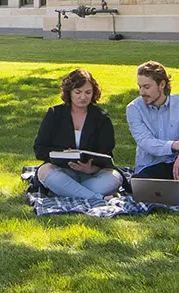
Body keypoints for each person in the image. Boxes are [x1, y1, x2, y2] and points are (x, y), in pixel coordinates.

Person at [126, 61, 179, 203]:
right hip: (152, 167)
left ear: (162, 84)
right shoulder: (134, 108)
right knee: (137, 183)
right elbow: (145, 142)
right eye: (140, 87)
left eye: (146, 87)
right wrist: (175, 145)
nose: (142, 92)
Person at [32, 68, 122, 200]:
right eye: (78, 92)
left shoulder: (102, 118)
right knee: (44, 172)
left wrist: (91, 168)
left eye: (88, 92)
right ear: (69, 93)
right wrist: (63, 153)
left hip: (91, 174)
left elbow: (106, 154)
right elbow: (39, 149)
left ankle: (64, 190)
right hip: (63, 171)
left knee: (115, 178)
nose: (83, 97)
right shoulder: (54, 114)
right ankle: (97, 198)